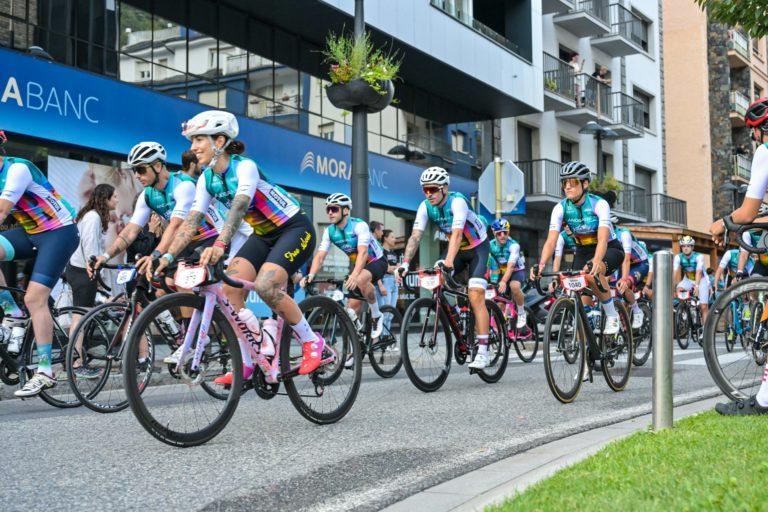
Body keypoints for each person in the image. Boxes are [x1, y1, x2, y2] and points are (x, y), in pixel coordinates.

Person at [155, 110, 322, 381]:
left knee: (266, 285)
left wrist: (221, 243)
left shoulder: (245, 167)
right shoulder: (207, 180)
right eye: (192, 141)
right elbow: (191, 221)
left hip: (294, 228)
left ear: (219, 140)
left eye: (199, 140)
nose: (193, 148)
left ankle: (312, 342)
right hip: (263, 234)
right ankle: (246, 364)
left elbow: (239, 206)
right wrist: (166, 254)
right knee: (230, 290)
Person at [91, 141, 252, 365]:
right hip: (184, 244)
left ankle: (193, 341)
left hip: (209, 237)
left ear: (158, 166)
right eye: (134, 170)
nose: (137, 175)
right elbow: (130, 231)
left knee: (183, 281)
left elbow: (176, 225)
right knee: (161, 288)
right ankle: (194, 326)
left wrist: (157, 254)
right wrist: (105, 256)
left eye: (140, 169)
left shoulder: (183, 185)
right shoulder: (148, 195)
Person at [0, 130, 80, 397]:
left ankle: (45, 370)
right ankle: (12, 311)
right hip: (31, 233)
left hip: (60, 232)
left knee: (35, 298)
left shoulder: (17, 169)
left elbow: (1, 211)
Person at [396, 166, 492, 369]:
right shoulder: (425, 207)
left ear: (444, 189)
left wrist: (448, 264)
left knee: (475, 294)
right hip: (456, 249)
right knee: (435, 281)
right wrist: (405, 263)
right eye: (425, 189)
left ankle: (484, 351)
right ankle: (457, 312)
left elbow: (457, 235)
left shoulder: (457, 202)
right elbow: (415, 236)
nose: (429, 194)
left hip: (477, 248)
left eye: (433, 189)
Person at [709, 97, 768, 415]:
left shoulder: (765, 152)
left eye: (753, 132)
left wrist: (723, 223)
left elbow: (748, 211)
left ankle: (764, 401)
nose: (754, 139)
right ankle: (763, 399)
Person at [530, 161, 625, 335]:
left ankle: (612, 315)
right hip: (582, 251)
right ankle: (589, 337)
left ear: (585, 183)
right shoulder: (560, 208)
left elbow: (603, 239)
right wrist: (541, 265)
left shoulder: (599, 204)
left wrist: (597, 261)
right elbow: (551, 241)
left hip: (609, 248)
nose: (567, 187)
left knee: (591, 273)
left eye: (572, 182)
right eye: (564, 183)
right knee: (577, 290)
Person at [301, 193, 386, 365]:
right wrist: (310, 275)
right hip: (358, 266)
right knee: (351, 310)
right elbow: (320, 256)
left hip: (376, 261)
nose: (330, 213)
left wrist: (355, 275)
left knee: (361, 280)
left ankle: (376, 315)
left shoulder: (359, 226)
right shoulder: (330, 231)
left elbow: (363, 253)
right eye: (328, 209)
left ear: (346, 210)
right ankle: (358, 347)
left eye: (334, 209)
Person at [66, 184, 118, 379]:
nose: (118, 200)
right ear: (106, 199)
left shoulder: (92, 216)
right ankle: (76, 362)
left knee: (81, 317)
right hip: (83, 271)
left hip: (81, 270)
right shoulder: (93, 217)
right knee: (80, 318)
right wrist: (94, 271)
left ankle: (77, 358)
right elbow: (90, 246)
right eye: (115, 196)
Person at [488, 218, 527, 328]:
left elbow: (510, 267)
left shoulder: (513, 245)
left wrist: (504, 281)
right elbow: (486, 263)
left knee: (514, 286)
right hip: (502, 272)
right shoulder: (490, 245)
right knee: (499, 304)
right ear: (494, 232)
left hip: (516, 271)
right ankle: (499, 333)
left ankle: (521, 312)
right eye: (499, 233)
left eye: (505, 232)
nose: (502, 236)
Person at [612, 217, 650, 329]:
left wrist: (624, 279)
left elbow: (626, 259)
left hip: (639, 263)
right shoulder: (605, 236)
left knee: (624, 284)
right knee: (618, 294)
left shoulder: (623, 234)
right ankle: (624, 328)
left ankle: (637, 311)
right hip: (622, 263)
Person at [672, 236, 709, 325]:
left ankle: (705, 330)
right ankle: (684, 310)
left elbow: (699, 272)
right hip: (687, 279)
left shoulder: (699, 256)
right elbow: (674, 273)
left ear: (692, 247)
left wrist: (696, 286)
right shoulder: (678, 257)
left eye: (688, 246)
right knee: (679, 289)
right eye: (683, 246)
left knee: (703, 306)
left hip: (701, 280)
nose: (685, 248)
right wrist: (672, 288)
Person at [379, 229, 400, 335]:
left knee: (391, 314)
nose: (394, 239)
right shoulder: (381, 252)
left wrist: (395, 268)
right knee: (386, 313)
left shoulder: (393, 253)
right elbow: (387, 269)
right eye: (392, 237)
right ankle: (383, 339)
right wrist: (396, 267)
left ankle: (386, 338)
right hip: (386, 280)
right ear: (385, 238)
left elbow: (394, 268)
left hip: (394, 282)